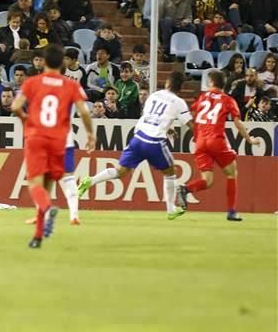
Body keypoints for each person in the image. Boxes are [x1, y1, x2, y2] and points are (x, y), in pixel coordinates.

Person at [77, 72, 195, 220]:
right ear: (180, 88)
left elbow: (149, 116)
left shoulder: (155, 95)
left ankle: (90, 181)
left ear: (167, 84)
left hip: (138, 138)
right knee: (170, 172)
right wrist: (200, 136)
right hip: (154, 141)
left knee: (121, 171)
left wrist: (168, 127)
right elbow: (190, 124)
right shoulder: (179, 102)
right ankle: (171, 209)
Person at [11, 44, 95, 249]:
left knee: (35, 186)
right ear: (62, 63)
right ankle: (38, 236)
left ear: (45, 62)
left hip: (37, 137)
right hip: (59, 140)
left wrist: (25, 120)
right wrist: (91, 134)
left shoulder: (33, 82)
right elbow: (84, 112)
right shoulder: (71, 85)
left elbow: (15, 106)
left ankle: (48, 208)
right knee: (47, 186)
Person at [177, 70, 264, 222]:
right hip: (216, 140)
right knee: (231, 173)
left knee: (208, 181)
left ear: (211, 82)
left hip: (200, 143)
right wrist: (249, 140)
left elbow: (192, 113)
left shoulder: (202, 97)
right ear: (224, 84)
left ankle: (186, 189)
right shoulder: (227, 100)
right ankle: (231, 211)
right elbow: (238, 123)